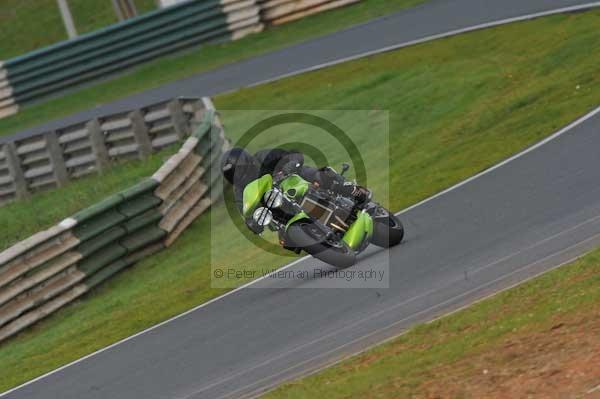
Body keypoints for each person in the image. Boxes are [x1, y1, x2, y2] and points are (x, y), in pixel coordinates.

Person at [221, 147, 371, 212]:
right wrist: (254, 222)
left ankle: (355, 191)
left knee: (321, 176)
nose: (238, 175)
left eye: (239, 170)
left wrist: (291, 164)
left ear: (248, 161)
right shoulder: (240, 193)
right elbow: (247, 213)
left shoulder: (263, 157)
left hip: (295, 180)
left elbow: (294, 154)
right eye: (232, 174)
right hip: (280, 207)